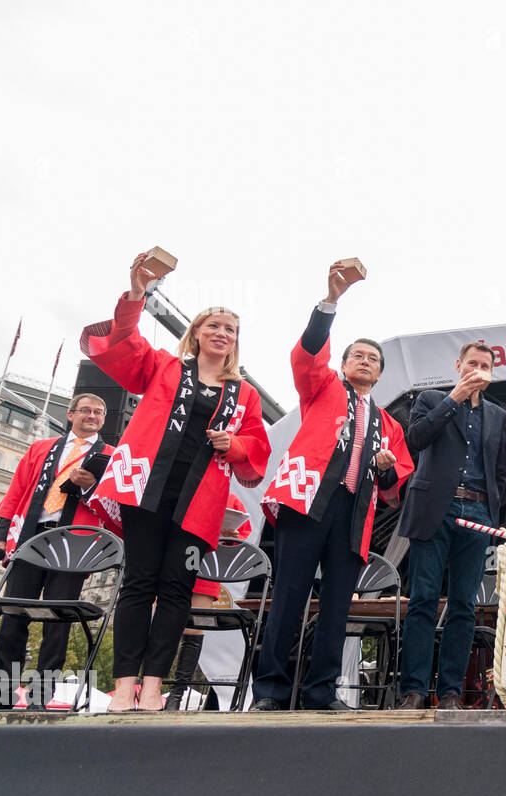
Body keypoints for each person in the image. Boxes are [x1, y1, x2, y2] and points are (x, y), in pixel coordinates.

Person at [81, 252, 271, 712]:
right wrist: (136, 292)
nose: (222, 334)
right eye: (214, 326)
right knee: (138, 584)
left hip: (198, 502)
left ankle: (153, 686)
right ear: (198, 333)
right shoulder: (165, 366)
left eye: (230, 330)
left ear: (235, 342)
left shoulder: (244, 394)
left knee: (176, 591)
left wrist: (234, 445)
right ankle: (124, 684)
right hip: (145, 490)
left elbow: (256, 450)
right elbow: (122, 341)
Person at [250, 263, 412, 711]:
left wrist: (383, 468)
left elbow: (395, 484)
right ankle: (270, 691)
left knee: (338, 605)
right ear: (342, 365)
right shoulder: (321, 388)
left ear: (380, 375)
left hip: (353, 512)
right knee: (288, 598)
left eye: (373, 359)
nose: (365, 361)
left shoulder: (390, 424)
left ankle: (321, 692)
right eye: (357, 355)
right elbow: (306, 356)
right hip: (306, 500)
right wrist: (330, 302)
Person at [395, 342, 506, 711]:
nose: (478, 369)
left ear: (492, 372)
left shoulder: (499, 415)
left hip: (476, 513)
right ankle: (413, 690)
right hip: (434, 508)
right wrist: (454, 398)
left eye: (485, 365)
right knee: (423, 599)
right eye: (472, 363)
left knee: (464, 604)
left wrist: (492, 514)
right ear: (458, 366)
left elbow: (500, 472)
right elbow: (415, 440)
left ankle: (450, 693)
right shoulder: (430, 399)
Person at [0, 394, 113, 709]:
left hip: (74, 545)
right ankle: (2, 696)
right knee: (13, 617)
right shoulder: (40, 448)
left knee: (58, 622)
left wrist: (89, 486)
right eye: (86, 410)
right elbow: (17, 489)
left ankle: (40, 698)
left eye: (98, 412)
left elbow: (116, 506)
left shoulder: (113, 457)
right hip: (32, 537)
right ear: (71, 414)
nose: (92, 416)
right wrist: (0, 534)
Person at [162, 491, 252, 711]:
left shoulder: (229, 497)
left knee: (194, 629)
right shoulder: (177, 485)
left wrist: (229, 537)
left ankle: (176, 694)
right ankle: (152, 688)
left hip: (204, 566)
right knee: (162, 629)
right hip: (171, 561)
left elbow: (241, 535)